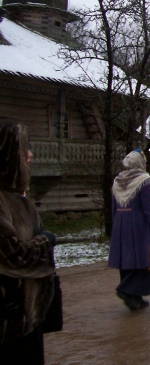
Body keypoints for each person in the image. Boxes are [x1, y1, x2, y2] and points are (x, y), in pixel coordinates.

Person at [0, 121, 57, 365]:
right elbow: (13, 255)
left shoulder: (18, 198)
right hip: (8, 322)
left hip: (28, 319)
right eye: (24, 149)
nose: (30, 155)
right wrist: (46, 241)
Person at [108, 150, 150, 311]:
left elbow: (114, 206)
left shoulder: (118, 180)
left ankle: (135, 297)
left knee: (126, 260)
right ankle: (126, 290)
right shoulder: (144, 180)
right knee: (144, 260)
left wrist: (116, 224)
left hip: (121, 222)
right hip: (139, 224)